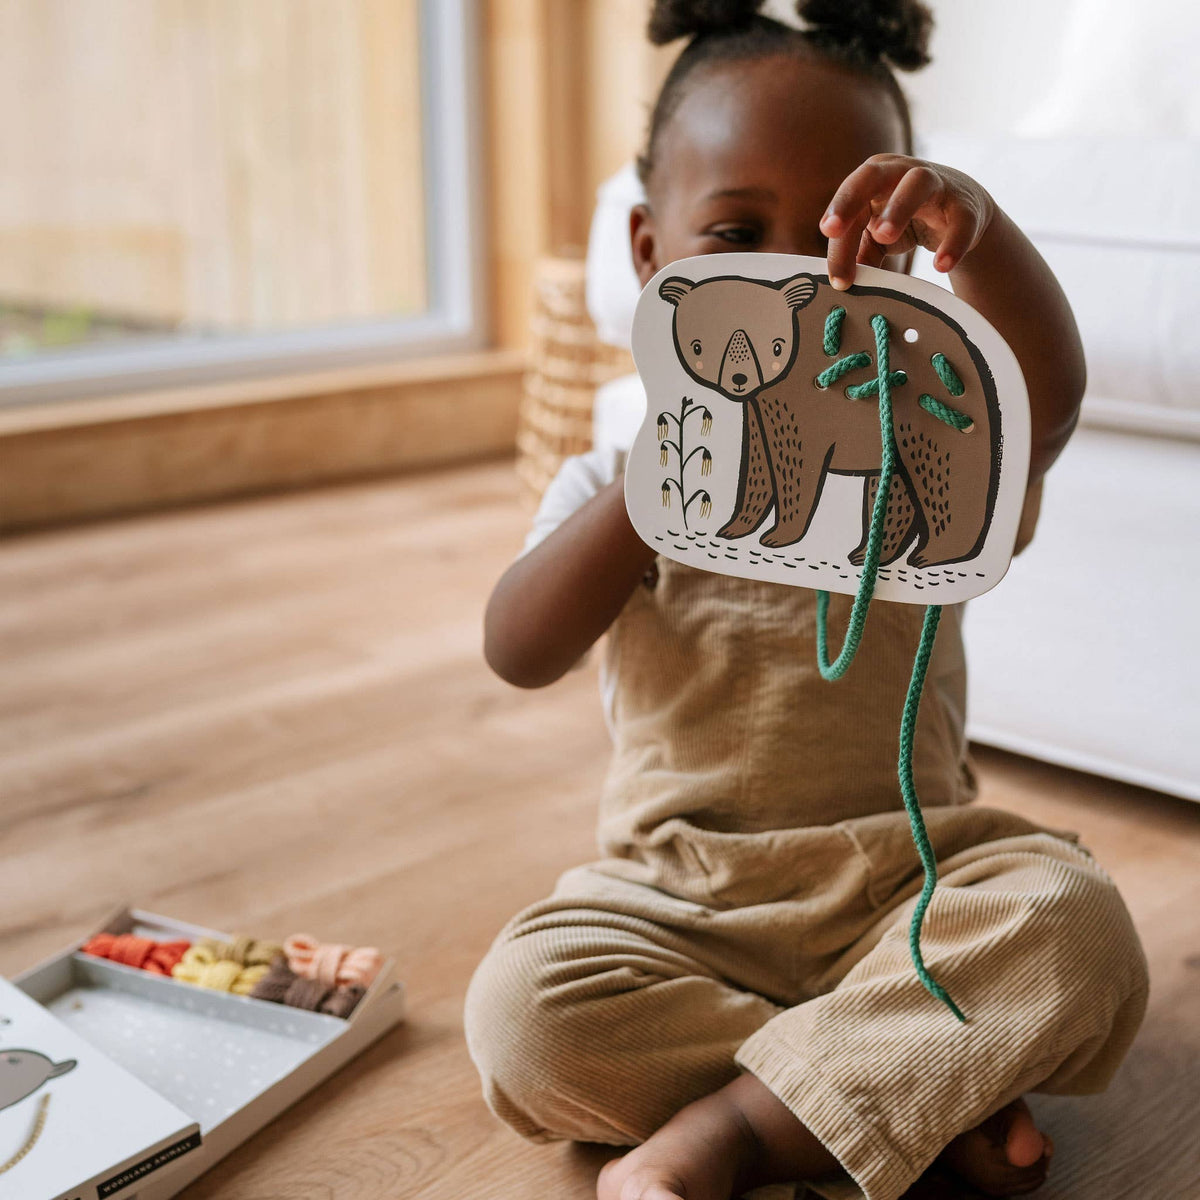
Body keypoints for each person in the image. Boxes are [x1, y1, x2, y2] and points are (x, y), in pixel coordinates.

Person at [464, 3, 1150, 1198]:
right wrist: (647, 491)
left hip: (913, 885)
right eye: (737, 232)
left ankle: (741, 1129)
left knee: (1078, 933)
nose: (797, 277)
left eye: (857, 245)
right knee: (525, 1026)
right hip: (677, 898)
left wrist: (977, 233)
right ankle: (901, 1080)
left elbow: (1044, 399)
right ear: (647, 255)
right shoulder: (612, 480)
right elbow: (518, 649)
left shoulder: (927, 443)